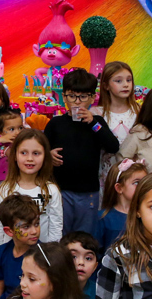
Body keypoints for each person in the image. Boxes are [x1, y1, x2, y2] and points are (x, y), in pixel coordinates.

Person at [45, 69, 121, 236]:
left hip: (89, 193)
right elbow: (41, 151)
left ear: (93, 98)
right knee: (60, 233)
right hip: (60, 191)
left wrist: (93, 123)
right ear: (64, 97)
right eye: (72, 96)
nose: (77, 102)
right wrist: (48, 156)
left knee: (85, 236)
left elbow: (113, 146)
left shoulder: (97, 123)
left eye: (83, 96)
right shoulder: (56, 124)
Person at [0, 128, 62, 250]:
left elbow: (55, 228)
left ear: (45, 156)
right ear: (15, 155)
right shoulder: (5, 189)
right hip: (11, 256)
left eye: (36, 153)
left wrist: (52, 258)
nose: (30, 158)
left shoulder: (51, 190)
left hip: (40, 257)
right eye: (23, 153)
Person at [93, 61, 139, 183]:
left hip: (133, 178)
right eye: (118, 81)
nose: (126, 85)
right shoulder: (96, 114)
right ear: (106, 85)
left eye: (129, 80)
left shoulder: (139, 112)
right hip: (105, 177)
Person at [96, 158, 148, 253]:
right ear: (119, 188)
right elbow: (95, 252)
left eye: (145, 182)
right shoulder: (103, 218)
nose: (143, 186)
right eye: (136, 182)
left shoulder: (148, 216)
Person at [0, 106, 23, 183]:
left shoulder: (23, 141)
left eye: (20, 128)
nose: (17, 132)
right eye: (12, 129)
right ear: (0, 132)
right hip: (0, 180)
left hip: (18, 179)